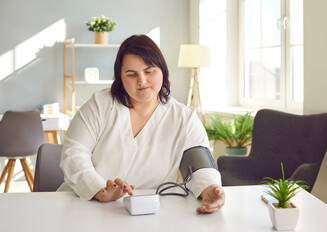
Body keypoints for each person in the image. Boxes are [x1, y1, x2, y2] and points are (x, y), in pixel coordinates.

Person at [58, 34, 225, 213]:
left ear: (163, 70)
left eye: (149, 71)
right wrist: (99, 190)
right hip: (85, 203)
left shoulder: (184, 118)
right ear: (120, 77)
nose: (142, 81)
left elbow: (197, 160)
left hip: (144, 210)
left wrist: (210, 190)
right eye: (131, 74)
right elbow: (74, 153)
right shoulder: (99, 105)